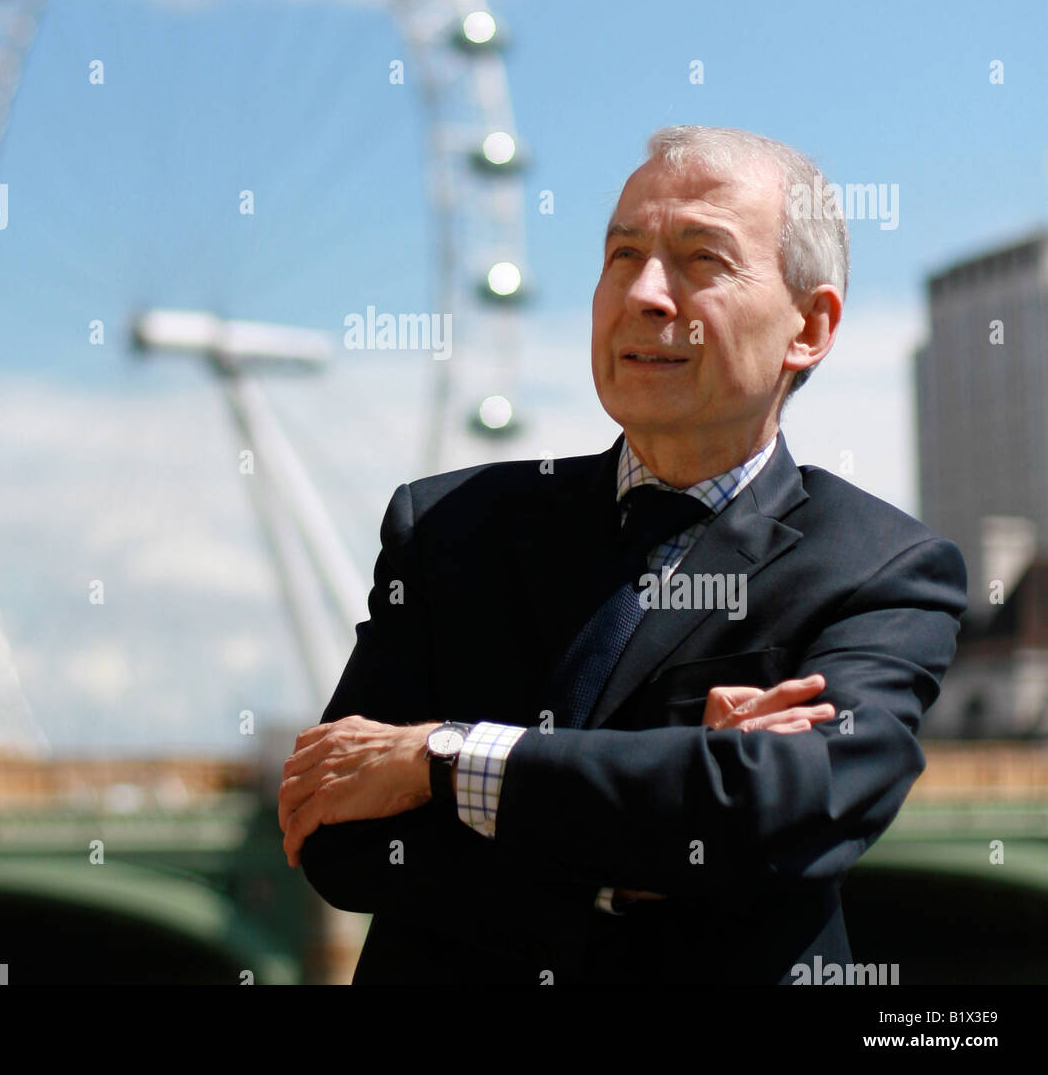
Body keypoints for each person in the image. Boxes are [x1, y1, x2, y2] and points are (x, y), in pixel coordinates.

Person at [278, 124, 966, 984]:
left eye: (699, 259)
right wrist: (666, 831)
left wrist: (443, 761)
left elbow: (789, 807)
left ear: (810, 326)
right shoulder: (449, 526)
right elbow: (338, 836)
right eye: (621, 254)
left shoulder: (885, 567)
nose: (645, 292)